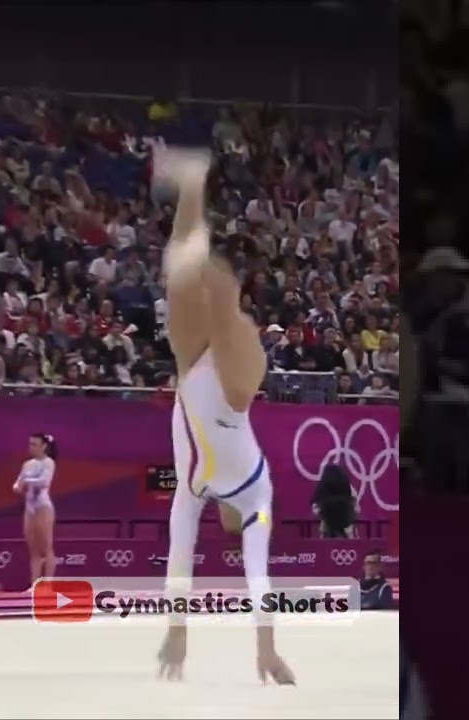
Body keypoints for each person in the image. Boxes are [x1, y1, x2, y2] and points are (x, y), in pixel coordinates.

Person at [152, 147, 294, 685]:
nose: (225, 528)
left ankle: (194, 186)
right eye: (228, 529)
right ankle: (225, 280)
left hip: (196, 374)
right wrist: (266, 650)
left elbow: (179, 556)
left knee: (181, 279)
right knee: (212, 299)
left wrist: (178, 631)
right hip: (235, 393)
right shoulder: (258, 500)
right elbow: (258, 577)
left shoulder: (193, 494)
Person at [12, 432, 57, 590]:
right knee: (34, 550)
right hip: (29, 508)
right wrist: (17, 487)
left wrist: (26, 481)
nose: (31, 447)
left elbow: (43, 481)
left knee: (46, 547)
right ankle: (35, 584)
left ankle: (48, 584)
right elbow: (17, 483)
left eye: (35, 444)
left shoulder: (48, 462)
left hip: (43, 507)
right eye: (30, 444)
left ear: (44, 446)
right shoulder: (27, 464)